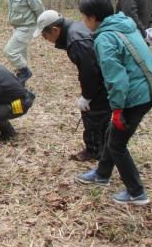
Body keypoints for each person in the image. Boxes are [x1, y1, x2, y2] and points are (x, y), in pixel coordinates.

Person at [74, 0, 152, 205]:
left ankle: (136, 192)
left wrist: (118, 109)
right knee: (113, 134)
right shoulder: (123, 24)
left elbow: (116, 79)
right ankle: (102, 174)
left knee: (118, 144)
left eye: (84, 17)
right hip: (144, 89)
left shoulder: (105, 39)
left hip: (134, 96)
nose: (83, 22)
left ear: (93, 18)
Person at [34, 10, 110, 161]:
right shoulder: (75, 28)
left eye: (45, 35)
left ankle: (94, 150)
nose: (45, 39)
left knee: (92, 112)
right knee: (101, 114)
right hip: (107, 75)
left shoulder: (76, 40)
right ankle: (104, 147)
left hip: (106, 78)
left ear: (55, 30)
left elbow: (90, 72)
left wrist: (87, 96)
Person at [4, 0, 44, 85]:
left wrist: (42, 28)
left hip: (27, 27)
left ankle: (25, 72)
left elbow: (39, 10)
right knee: (21, 54)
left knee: (10, 51)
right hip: (17, 27)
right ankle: (21, 84)